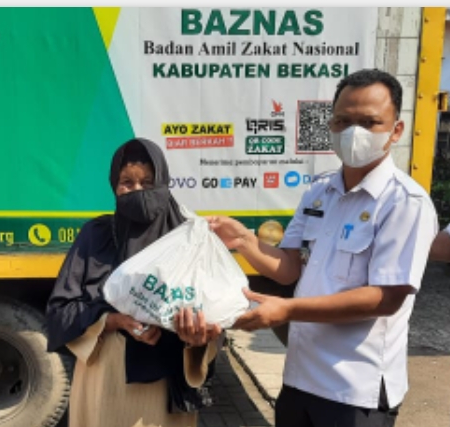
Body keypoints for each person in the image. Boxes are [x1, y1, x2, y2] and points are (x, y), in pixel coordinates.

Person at [208, 69, 438, 427]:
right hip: (300, 379)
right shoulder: (319, 191)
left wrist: (286, 310)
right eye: (343, 121)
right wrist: (244, 241)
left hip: (354, 390)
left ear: (396, 130)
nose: (354, 133)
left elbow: (386, 298)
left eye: (369, 122)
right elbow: (289, 268)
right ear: (330, 125)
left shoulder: (405, 202)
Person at [46, 137, 221, 427]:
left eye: (147, 183)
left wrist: (197, 336)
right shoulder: (97, 235)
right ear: (114, 186)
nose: (137, 191)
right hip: (105, 378)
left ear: (163, 183)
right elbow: (60, 311)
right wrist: (112, 320)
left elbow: (214, 311)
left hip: (167, 385)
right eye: (127, 182)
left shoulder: (187, 239)